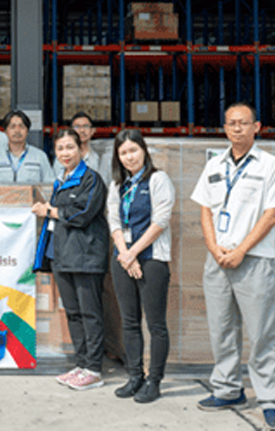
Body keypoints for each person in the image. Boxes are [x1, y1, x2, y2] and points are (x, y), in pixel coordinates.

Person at [191, 102, 275, 431]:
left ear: (256, 127)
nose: (237, 128)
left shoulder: (270, 165)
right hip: (218, 258)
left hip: (254, 260)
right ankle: (228, 390)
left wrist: (241, 250)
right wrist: (214, 248)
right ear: (224, 128)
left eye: (243, 123)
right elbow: (205, 210)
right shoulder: (214, 165)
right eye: (231, 123)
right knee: (221, 330)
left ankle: (271, 401)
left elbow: (273, 213)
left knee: (262, 332)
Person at [32, 128, 109, 391]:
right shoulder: (61, 180)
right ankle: (82, 364)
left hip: (85, 256)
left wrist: (50, 210)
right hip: (62, 256)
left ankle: (94, 370)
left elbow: (83, 213)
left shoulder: (91, 179)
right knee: (73, 314)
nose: (65, 153)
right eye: (60, 148)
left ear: (80, 149)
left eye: (70, 147)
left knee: (90, 313)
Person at [107, 129, 175, 404]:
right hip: (123, 259)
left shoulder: (158, 180)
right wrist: (125, 255)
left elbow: (161, 220)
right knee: (130, 321)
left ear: (144, 151)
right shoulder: (117, 185)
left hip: (152, 260)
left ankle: (154, 381)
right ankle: (135, 376)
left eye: (133, 150)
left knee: (156, 324)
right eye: (123, 152)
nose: (129, 157)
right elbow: (114, 222)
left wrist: (133, 253)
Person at [0, 110, 54, 183]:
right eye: (12, 127)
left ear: (27, 131)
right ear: (5, 131)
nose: (17, 130)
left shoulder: (40, 157)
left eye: (21, 127)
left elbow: (49, 184)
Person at [54, 112, 101, 178]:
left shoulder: (100, 158)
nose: (82, 130)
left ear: (92, 131)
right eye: (77, 126)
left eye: (86, 126)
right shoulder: (62, 157)